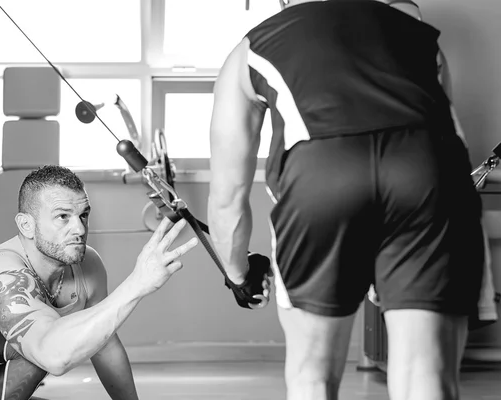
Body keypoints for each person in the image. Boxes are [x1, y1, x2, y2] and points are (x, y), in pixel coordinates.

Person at [207, 1, 484, 399]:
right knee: (427, 375)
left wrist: (239, 276)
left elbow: (227, 199)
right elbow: (451, 135)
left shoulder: (251, 48)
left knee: (311, 377)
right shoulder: (418, 33)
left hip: (322, 176)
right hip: (428, 169)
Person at [0, 165, 198, 400]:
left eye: (83, 215)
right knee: (38, 341)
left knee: (83, 331)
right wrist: (137, 285)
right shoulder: (2, 273)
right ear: (26, 226)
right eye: (62, 217)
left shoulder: (88, 264)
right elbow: (52, 355)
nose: (79, 228)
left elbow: (104, 344)